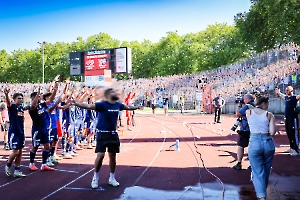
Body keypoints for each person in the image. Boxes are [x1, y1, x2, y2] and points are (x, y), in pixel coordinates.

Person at [71, 88, 143, 189]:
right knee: (100, 156)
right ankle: (95, 177)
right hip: (102, 134)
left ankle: (112, 178)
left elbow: (128, 107)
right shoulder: (102, 104)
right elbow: (88, 106)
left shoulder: (118, 104)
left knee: (113, 157)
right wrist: (77, 103)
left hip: (113, 134)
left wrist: (136, 107)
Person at [246, 95, 276, 200]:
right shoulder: (269, 114)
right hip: (267, 142)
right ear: (263, 103)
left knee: (257, 170)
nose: (268, 105)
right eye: (267, 103)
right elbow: (272, 132)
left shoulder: (248, 113)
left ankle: (261, 195)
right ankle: (263, 189)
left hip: (254, 142)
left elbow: (242, 112)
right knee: (266, 169)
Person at [28, 83, 58, 171]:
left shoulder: (42, 105)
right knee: (35, 147)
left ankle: (44, 164)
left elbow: (51, 99)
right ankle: (31, 163)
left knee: (47, 146)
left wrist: (55, 90)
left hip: (44, 129)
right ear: (33, 98)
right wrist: (37, 94)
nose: (40, 97)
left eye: (40, 96)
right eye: (38, 96)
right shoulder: (32, 107)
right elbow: (33, 105)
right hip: (37, 130)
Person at [4, 89, 26, 177]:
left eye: (21, 98)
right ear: (14, 99)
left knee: (20, 152)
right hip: (14, 132)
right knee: (15, 152)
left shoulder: (21, 108)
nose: (21, 100)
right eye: (19, 98)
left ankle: (17, 170)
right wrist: (6, 94)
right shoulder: (12, 107)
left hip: (21, 132)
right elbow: (8, 103)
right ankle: (8, 165)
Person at [275, 86, 300, 156]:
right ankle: (292, 147)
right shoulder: (287, 98)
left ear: (292, 90)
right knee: (289, 133)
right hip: (287, 118)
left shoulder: (294, 98)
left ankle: (297, 149)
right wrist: (279, 92)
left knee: (294, 134)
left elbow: (298, 96)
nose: (286, 91)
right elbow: (283, 96)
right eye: (286, 90)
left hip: (293, 118)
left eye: (288, 90)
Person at [232, 94, 255, 170]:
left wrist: (239, 105)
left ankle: (239, 163)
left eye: (244, 99)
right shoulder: (256, 105)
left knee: (241, 146)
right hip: (254, 129)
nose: (243, 100)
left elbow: (238, 114)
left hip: (245, 129)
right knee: (253, 147)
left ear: (248, 99)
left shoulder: (247, 106)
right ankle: (253, 164)